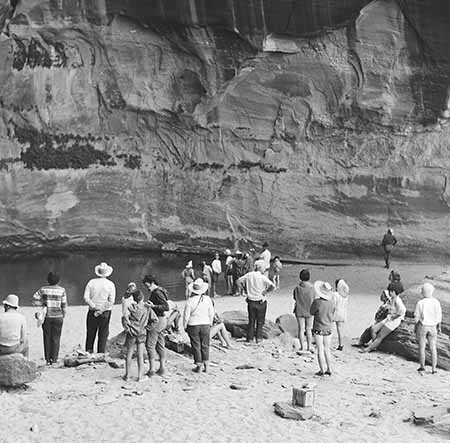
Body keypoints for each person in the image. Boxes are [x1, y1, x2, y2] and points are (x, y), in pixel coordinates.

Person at [32, 272, 67, 365]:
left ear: (48, 280)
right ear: (58, 280)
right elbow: (64, 304)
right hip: (58, 316)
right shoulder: (62, 290)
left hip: (46, 316)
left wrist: (42, 304)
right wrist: (64, 314)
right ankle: (54, 359)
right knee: (56, 338)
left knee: (47, 337)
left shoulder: (43, 289)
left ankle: (47, 359)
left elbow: (35, 298)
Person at [237, 260, 275, 343]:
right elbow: (273, 286)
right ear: (260, 268)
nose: (264, 269)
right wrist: (265, 292)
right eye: (264, 267)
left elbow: (238, 281)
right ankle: (258, 338)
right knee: (260, 321)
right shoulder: (262, 277)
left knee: (251, 320)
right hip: (260, 300)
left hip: (251, 300)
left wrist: (245, 290)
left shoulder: (249, 275)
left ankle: (250, 338)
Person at [362, 284, 406, 353]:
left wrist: (394, 317)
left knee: (380, 336)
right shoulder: (392, 299)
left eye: (390, 291)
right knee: (373, 329)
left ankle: (369, 348)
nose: (389, 293)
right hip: (388, 318)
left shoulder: (398, 300)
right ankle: (374, 345)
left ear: (394, 292)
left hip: (394, 321)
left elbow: (402, 311)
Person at [183, 278, 214, 373]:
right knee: (205, 345)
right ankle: (207, 366)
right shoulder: (208, 299)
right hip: (205, 323)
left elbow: (186, 316)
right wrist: (210, 323)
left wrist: (184, 326)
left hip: (193, 325)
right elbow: (211, 313)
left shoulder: (190, 301)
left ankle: (199, 365)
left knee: (196, 345)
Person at [83, 262, 116, 354]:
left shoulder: (91, 282)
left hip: (92, 310)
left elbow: (86, 297)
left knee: (90, 333)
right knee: (103, 334)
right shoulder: (110, 284)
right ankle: (100, 354)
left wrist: (94, 306)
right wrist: (101, 309)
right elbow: (111, 301)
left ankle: (88, 353)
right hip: (105, 311)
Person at [143, 274, 169, 376]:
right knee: (160, 344)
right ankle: (162, 368)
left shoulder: (157, 292)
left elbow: (166, 307)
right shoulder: (161, 290)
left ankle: (151, 370)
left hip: (157, 321)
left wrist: (152, 306)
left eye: (147, 285)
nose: (147, 288)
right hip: (162, 320)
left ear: (152, 283)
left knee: (150, 345)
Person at [414, 282, 442, 374]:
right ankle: (434, 369)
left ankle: (422, 366)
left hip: (423, 326)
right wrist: (439, 326)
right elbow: (439, 316)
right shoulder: (436, 302)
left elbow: (416, 317)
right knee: (433, 347)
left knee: (422, 347)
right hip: (433, 326)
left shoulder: (420, 303)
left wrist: (415, 326)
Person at [123, 290, 149, 382]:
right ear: (142, 297)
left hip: (132, 332)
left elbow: (125, 318)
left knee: (129, 353)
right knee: (140, 355)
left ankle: (127, 376)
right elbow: (155, 320)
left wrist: (129, 326)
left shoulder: (131, 307)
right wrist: (147, 328)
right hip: (141, 333)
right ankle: (140, 376)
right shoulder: (146, 308)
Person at [310, 281, 336, 376]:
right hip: (328, 327)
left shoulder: (317, 302)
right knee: (327, 349)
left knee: (320, 349)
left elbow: (311, 312)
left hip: (318, 327)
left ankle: (322, 370)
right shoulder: (332, 303)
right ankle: (329, 368)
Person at [293, 269, 315, 352]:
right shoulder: (312, 288)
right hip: (309, 310)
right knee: (308, 329)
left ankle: (302, 347)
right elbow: (314, 298)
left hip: (299, 309)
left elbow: (294, 297)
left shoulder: (297, 288)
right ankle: (309, 346)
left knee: (301, 329)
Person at [333, 279, 349, 351]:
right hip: (343, 313)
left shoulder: (335, 294)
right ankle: (340, 344)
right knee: (340, 329)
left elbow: (334, 304)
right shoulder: (345, 295)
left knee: (330, 327)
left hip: (336, 312)